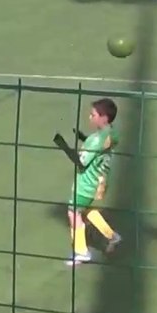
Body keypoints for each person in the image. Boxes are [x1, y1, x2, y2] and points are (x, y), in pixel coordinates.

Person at [57, 98, 122, 266]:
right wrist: (83, 138)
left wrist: (63, 146)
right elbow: (102, 148)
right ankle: (112, 236)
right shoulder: (111, 133)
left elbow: (82, 161)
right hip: (100, 180)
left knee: (73, 212)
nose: (90, 117)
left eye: (93, 115)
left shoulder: (95, 140)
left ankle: (81, 252)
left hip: (87, 182)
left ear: (104, 117)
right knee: (84, 210)